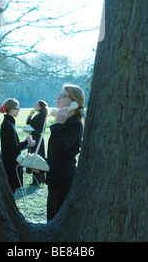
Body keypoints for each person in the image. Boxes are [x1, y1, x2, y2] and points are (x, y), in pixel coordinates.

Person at [46, 84, 85, 221]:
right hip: (54, 181)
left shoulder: (75, 124)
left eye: (63, 95)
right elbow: (56, 154)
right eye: (59, 94)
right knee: (50, 223)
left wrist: (58, 124)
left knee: (57, 224)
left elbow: (59, 147)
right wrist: (42, 165)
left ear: (74, 102)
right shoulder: (64, 122)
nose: (58, 97)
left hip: (64, 182)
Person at [0, 98, 36, 193]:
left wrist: (28, 145)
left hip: (12, 162)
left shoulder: (9, 123)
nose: (19, 111)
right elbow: (14, 148)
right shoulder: (8, 125)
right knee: (11, 191)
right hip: (11, 164)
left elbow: (13, 146)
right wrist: (26, 142)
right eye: (17, 108)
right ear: (11, 109)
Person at [26, 100, 49, 185]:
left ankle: (38, 180)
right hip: (33, 138)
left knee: (37, 158)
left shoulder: (42, 116)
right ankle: (35, 180)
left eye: (36, 105)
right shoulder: (37, 115)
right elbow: (28, 122)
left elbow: (40, 130)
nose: (35, 106)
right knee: (32, 157)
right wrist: (30, 114)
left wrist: (31, 132)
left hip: (38, 140)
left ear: (40, 107)